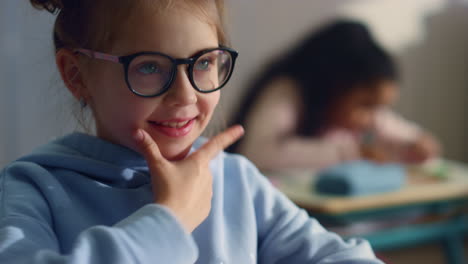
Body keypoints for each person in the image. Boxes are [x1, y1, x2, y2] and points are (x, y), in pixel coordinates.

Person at [0, 1, 383, 263]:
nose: (185, 95)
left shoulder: (236, 179)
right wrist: (172, 218)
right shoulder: (29, 189)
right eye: (149, 67)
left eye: (203, 63)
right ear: (76, 74)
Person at [228, 20, 439, 171]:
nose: (372, 118)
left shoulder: (368, 116)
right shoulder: (287, 92)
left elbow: (397, 131)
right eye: (365, 105)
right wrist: (353, 152)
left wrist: (415, 142)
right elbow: (258, 153)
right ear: (330, 85)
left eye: (378, 107)